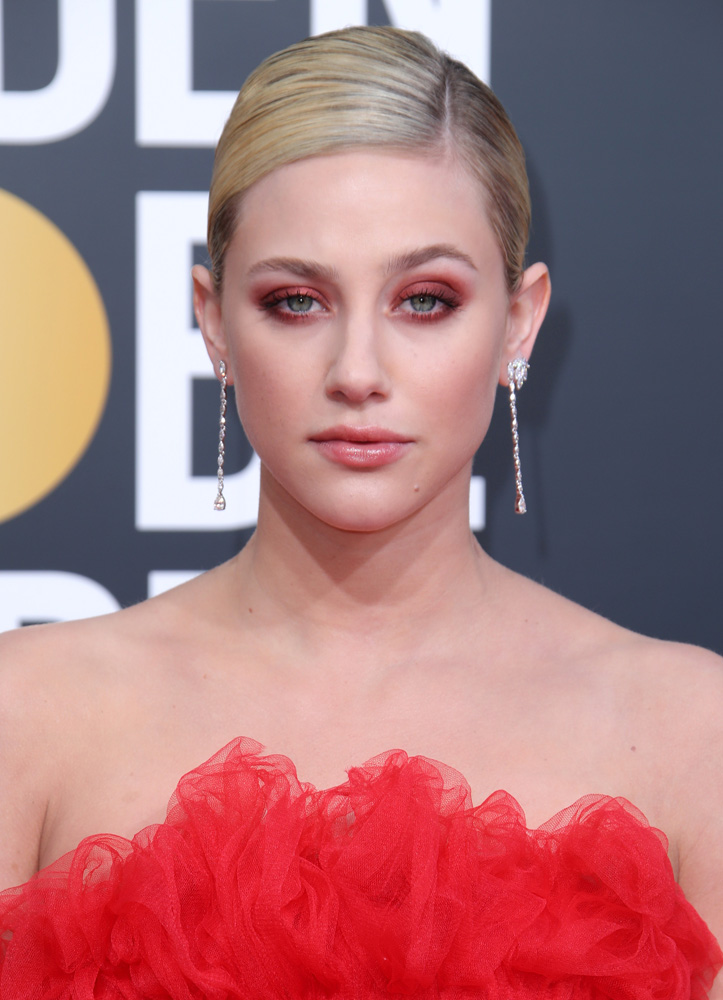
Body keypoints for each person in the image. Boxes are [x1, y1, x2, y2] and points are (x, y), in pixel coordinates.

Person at [0, 24, 720, 998]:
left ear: (520, 318)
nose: (357, 374)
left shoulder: (692, 731)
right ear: (212, 319)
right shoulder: (27, 714)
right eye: (297, 301)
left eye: (424, 301)